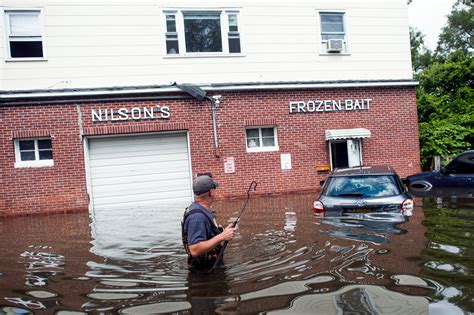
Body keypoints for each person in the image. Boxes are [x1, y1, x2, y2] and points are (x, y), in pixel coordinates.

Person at [182, 175, 235, 271]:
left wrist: (219, 231)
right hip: (204, 273)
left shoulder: (202, 209)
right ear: (210, 192)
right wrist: (222, 236)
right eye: (214, 189)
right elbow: (195, 249)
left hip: (210, 266)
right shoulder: (197, 217)